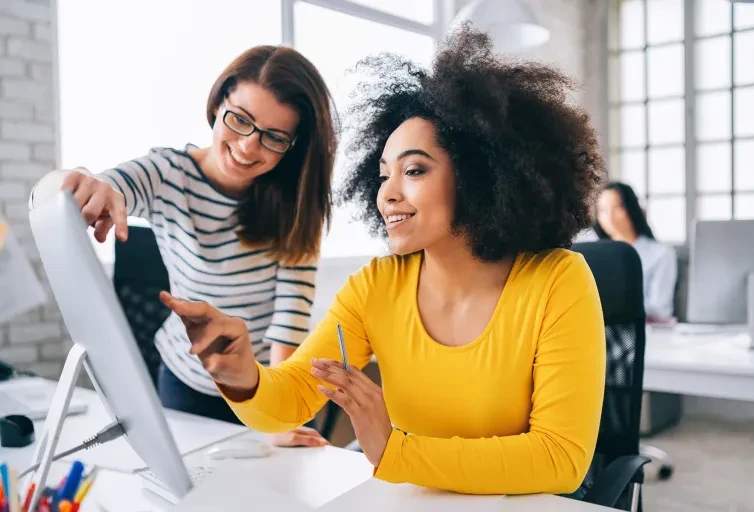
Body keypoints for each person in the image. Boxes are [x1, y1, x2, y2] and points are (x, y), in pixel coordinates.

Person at [160, 24, 607, 495]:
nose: (387, 195)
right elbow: (292, 396)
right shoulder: (377, 285)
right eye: (382, 175)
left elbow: (560, 459)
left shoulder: (558, 281)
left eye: (414, 170)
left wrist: (397, 450)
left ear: (479, 176)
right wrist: (243, 375)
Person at [29, 45, 336, 447]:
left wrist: (276, 412)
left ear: (293, 146)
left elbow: (290, 318)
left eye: (274, 138)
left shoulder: (298, 203)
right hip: (184, 379)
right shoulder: (169, 174)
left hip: (257, 386)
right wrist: (76, 182)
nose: (247, 146)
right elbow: (81, 189)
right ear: (218, 103)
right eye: (240, 119)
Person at [594, 181, 678, 322]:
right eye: (602, 210)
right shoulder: (594, 252)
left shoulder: (661, 254)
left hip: (646, 331)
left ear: (631, 208)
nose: (610, 217)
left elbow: (660, 309)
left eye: (617, 208)